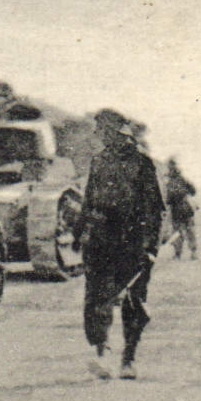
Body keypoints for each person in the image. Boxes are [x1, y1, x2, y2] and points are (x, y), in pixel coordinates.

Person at [78, 110, 163, 380]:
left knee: (133, 301)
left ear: (116, 134)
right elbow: (89, 200)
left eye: (103, 132)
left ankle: (129, 358)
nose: (100, 137)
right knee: (96, 299)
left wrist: (150, 247)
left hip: (133, 240)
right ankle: (102, 354)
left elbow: (154, 209)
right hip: (102, 240)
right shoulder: (98, 162)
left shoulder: (142, 163)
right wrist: (81, 231)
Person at [163, 157, 198, 260]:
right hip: (187, 208)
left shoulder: (168, 183)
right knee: (190, 230)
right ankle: (193, 252)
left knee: (178, 232)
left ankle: (178, 254)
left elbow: (168, 199)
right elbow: (193, 190)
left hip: (176, 210)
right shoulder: (183, 179)